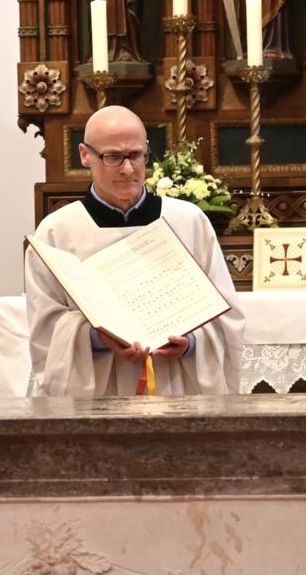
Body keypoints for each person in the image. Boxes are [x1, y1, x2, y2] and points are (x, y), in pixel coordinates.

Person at [26, 106, 244, 396]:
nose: (128, 168)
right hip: (96, 397)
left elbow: (226, 316)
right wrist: (97, 337)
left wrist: (191, 341)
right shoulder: (57, 232)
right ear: (84, 154)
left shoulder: (187, 220)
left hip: (176, 387)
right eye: (113, 156)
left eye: (136, 155)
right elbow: (45, 329)